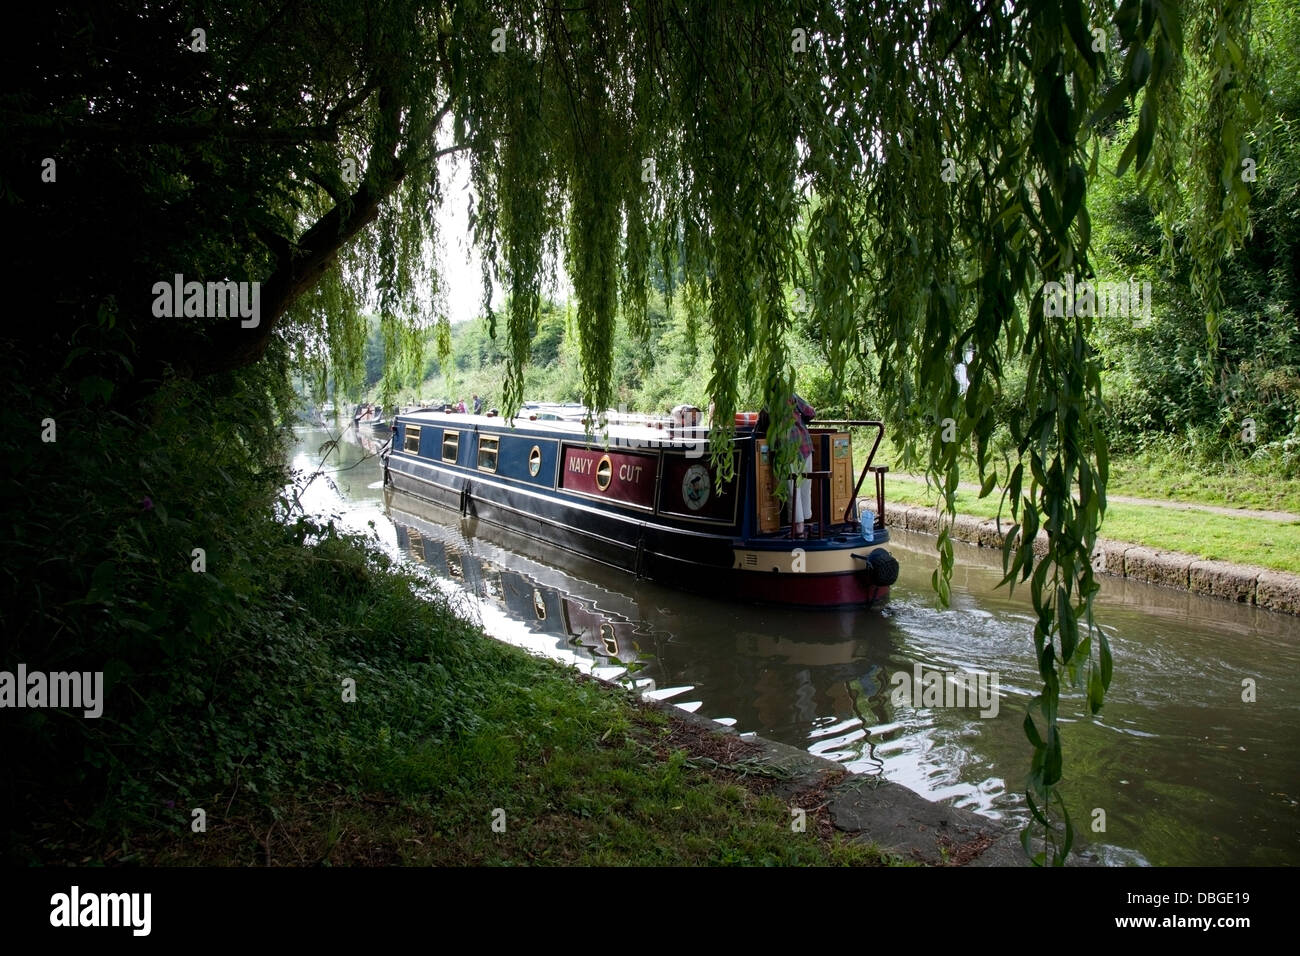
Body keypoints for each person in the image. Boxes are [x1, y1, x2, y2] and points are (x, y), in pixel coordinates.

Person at [788, 393, 816, 537]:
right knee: (805, 486)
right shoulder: (793, 396)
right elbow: (811, 412)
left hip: (788, 450)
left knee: (793, 488)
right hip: (805, 446)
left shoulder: (771, 404)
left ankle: (799, 528)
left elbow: (762, 423)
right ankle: (805, 523)